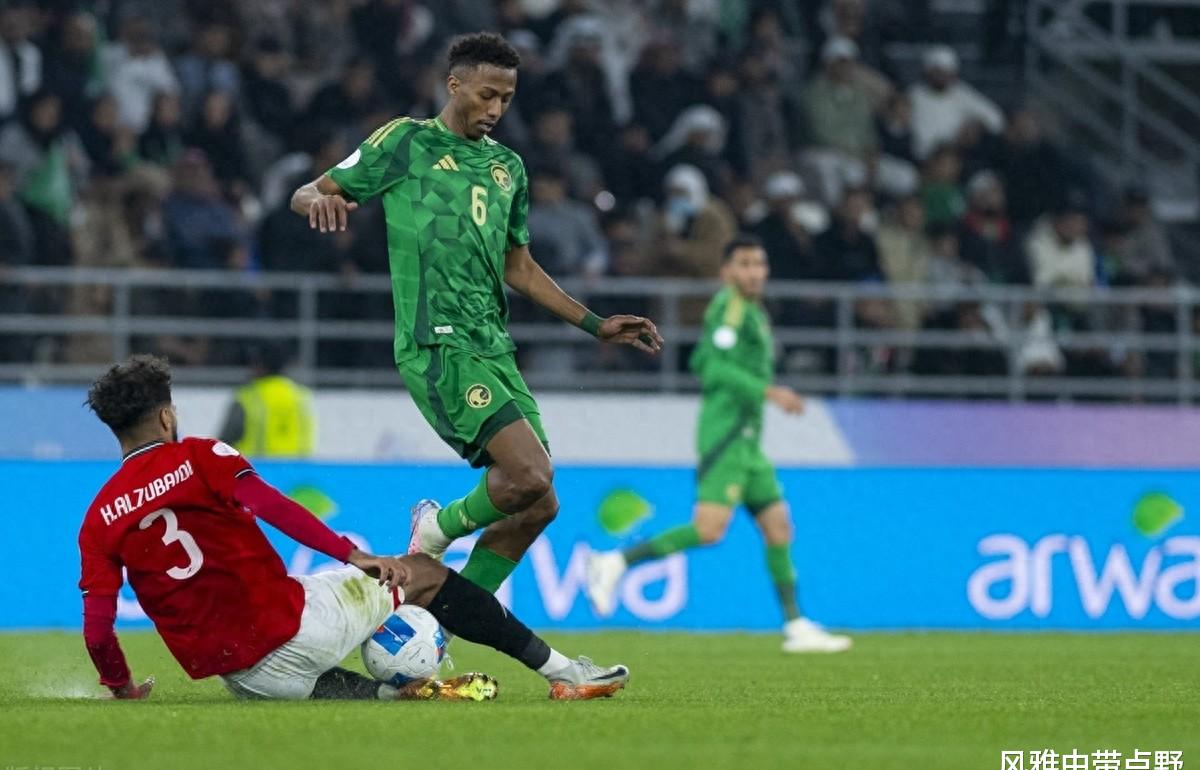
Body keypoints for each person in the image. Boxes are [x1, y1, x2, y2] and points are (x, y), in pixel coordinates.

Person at [289, 33, 662, 596]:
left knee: (539, 502)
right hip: (437, 343)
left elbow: (521, 268)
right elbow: (305, 192)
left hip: (493, 347)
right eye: (486, 95)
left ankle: (437, 626)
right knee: (528, 473)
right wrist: (317, 201)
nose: (495, 109)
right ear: (454, 84)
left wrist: (595, 324)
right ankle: (434, 529)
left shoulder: (508, 167)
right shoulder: (406, 141)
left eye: (506, 99)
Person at [79, 355, 630, 702]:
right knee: (423, 572)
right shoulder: (200, 457)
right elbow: (275, 508)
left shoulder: (98, 517)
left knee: (301, 653)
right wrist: (352, 554)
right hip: (293, 628)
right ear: (167, 416)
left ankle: (397, 693)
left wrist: (121, 686)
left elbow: (99, 631)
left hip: (249, 678)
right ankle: (565, 673)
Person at [585, 236, 852, 654]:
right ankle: (615, 562)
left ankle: (796, 625)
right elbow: (711, 367)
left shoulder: (752, 312)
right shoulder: (729, 308)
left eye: (759, 263)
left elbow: (704, 360)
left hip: (749, 445)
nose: (754, 272)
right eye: (744, 264)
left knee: (778, 526)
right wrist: (769, 392)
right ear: (726, 271)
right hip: (725, 438)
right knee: (709, 530)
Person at [218, 344, 316, 458]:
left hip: (254, 467)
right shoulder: (301, 396)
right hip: (297, 468)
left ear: (260, 366)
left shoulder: (248, 397)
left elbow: (224, 443)